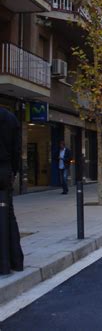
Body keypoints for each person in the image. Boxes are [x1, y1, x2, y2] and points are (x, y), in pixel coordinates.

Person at [0, 107, 24, 273]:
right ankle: (13, 261)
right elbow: (17, 150)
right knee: (8, 215)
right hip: (5, 170)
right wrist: (14, 171)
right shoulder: (10, 117)